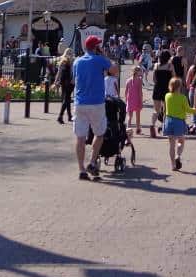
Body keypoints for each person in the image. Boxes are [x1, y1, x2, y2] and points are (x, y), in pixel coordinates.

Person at [72, 35, 118, 181]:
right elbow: (114, 70)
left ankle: (81, 169)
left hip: (80, 103)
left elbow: (74, 79)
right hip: (97, 102)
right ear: (96, 47)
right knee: (99, 133)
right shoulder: (100, 60)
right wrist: (104, 55)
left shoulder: (77, 61)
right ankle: (92, 162)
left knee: (80, 137)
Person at [163, 77, 195, 171]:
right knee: (181, 141)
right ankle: (178, 155)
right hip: (179, 122)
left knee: (171, 145)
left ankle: (173, 165)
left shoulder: (167, 96)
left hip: (168, 121)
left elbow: (165, 109)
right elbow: (188, 110)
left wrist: (164, 121)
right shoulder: (182, 97)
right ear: (179, 87)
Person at [150, 50, 174, 139]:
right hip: (167, 90)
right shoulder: (170, 66)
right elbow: (173, 78)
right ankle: (164, 129)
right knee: (166, 111)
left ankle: (152, 125)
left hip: (157, 89)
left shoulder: (156, 65)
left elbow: (154, 79)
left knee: (156, 110)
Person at [55, 48, 75, 124]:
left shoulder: (62, 61)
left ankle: (69, 116)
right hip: (70, 82)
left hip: (63, 82)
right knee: (66, 99)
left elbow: (59, 72)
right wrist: (73, 80)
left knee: (67, 98)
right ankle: (60, 116)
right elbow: (73, 72)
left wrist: (56, 80)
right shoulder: (73, 61)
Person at [124, 65, 144, 133]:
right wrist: (141, 100)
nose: (141, 72)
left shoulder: (128, 80)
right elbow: (140, 91)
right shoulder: (139, 80)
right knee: (138, 115)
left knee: (129, 116)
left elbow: (126, 91)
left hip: (130, 99)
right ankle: (138, 129)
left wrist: (126, 99)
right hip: (137, 99)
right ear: (137, 72)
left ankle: (128, 128)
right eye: (140, 71)